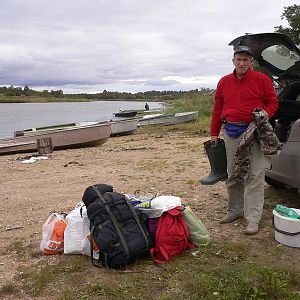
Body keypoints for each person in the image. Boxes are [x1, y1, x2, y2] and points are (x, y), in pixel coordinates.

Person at [210, 45, 279, 235]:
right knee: (233, 174)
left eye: (245, 60)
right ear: (233, 61)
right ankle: (235, 211)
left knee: (255, 175)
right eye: (238, 59)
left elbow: (273, 102)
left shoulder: (262, 80)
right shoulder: (224, 82)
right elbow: (217, 108)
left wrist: (265, 114)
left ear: (251, 62)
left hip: (254, 131)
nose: (242, 63)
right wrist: (214, 133)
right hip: (231, 131)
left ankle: (253, 218)